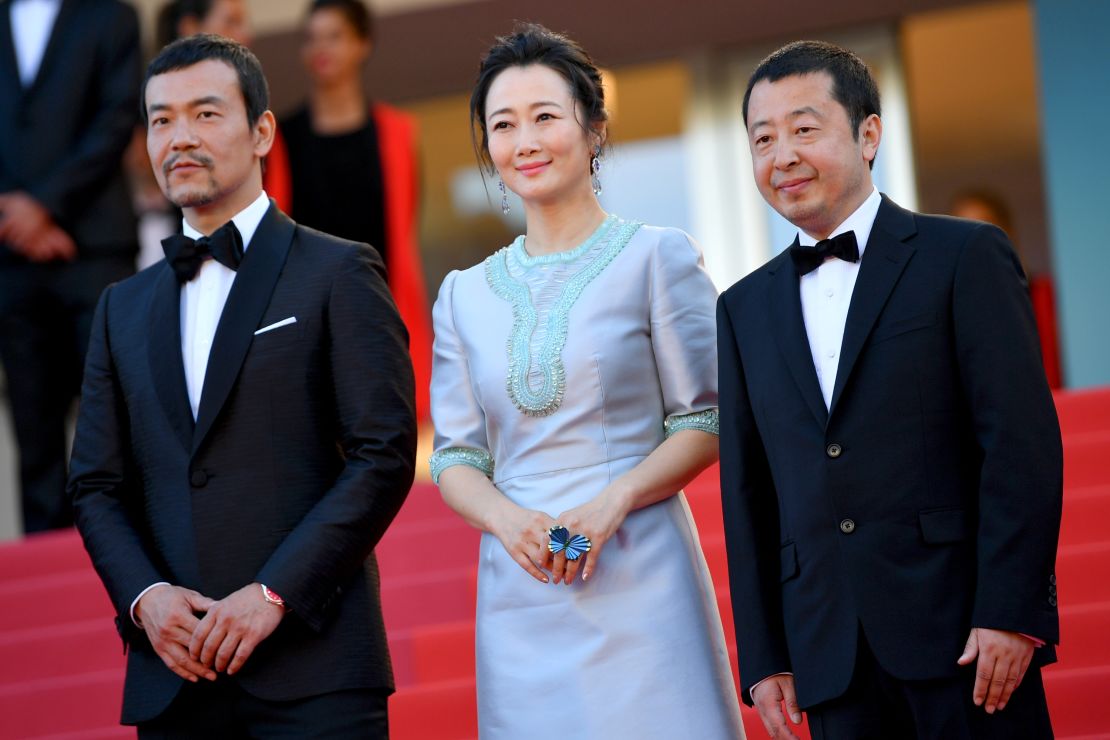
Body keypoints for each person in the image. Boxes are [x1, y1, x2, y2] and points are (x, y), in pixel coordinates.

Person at [68, 35, 416, 736]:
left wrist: (274, 592)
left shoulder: (339, 271)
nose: (179, 138)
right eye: (161, 119)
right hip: (176, 679)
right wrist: (146, 599)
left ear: (261, 132)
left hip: (317, 673)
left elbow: (383, 452)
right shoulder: (120, 308)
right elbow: (95, 484)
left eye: (205, 113)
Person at [717, 40, 1062, 740]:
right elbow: (748, 492)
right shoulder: (742, 308)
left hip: (964, 636)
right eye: (763, 138)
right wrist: (765, 658)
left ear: (868, 133)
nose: (782, 155)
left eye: (805, 129)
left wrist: (1011, 609)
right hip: (830, 655)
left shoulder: (964, 257)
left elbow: (1019, 444)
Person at [429, 24, 744, 739]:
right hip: (522, 582)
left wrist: (613, 503)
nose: (525, 142)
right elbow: (456, 456)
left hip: (641, 566)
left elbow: (707, 417)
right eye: (503, 125)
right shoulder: (462, 294)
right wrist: (510, 523)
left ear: (594, 128)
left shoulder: (658, 257)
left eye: (545, 117)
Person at [0, 0, 141, 533]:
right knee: (33, 429)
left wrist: (44, 207)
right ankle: (49, 586)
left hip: (95, 249)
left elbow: (117, 115)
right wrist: (15, 214)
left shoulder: (112, 15)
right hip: (10, 255)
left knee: (117, 421)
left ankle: (140, 575)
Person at [273, 0, 432, 420]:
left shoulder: (397, 134)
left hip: (382, 315)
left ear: (362, 44)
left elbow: (404, 229)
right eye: (311, 38)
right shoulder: (278, 140)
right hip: (306, 325)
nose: (320, 48)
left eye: (334, 36)